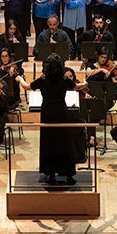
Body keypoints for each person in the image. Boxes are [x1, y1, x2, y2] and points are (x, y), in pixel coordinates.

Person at [30, 54, 77, 183]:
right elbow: (75, 86)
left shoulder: (43, 80)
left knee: (48, 142)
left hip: (47, 113)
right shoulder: (64, 80)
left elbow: (28, 86)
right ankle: (68, 174)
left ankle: (50, 174)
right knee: (64, 141)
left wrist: (18, 78)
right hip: (61, 112)